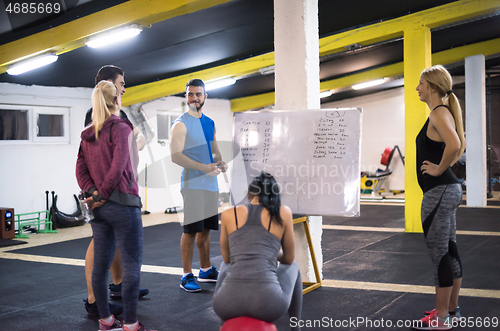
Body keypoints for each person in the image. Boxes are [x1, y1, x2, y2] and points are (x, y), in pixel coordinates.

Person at [76, 80, 155, 331]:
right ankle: (131, 324)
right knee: (132, 266)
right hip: (123, 205)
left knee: (100, 267)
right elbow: (120, 164)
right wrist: (103, 193)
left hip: (99, 210)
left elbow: (80, 169)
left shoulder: (86, 134)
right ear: (117, 100)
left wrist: (93, 193)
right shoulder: (121, 127)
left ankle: (106, 320)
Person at [213, 171, 302, 330]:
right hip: (267, 305)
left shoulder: (228, 213)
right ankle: (296, 328)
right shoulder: (283, 212)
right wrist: (270, 254)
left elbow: (227, 259)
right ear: (275, 196)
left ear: (249, 195)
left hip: (226, 305)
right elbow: (288, 258)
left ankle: (223, 326)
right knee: (294, 266)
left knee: (224, 266)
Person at [413, 64, 465, 330]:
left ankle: (442, 319)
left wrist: (438, 168)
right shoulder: (441, 112)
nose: (417, 88)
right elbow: (455, 144)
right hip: (447, 190)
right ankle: (451, 311)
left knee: (440, 256)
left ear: (432, 86)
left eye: (421, 83)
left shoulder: (438, 113)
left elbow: (455, 144)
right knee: (450, 251)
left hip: (440, 191)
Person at [170, 78, 227, 292]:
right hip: (192, 185)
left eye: (198, 94)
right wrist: (203, 168)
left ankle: (205, 269)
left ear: (205, 97)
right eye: (190, 94)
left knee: (206, 230)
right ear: (186, 96)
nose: (195, 98)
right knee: (191, 230)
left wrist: (220, 162)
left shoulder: (210, 122)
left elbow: (214, 150)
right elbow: (175, 156)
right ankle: (186, 275)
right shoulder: (181, 123)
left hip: (210, 185)